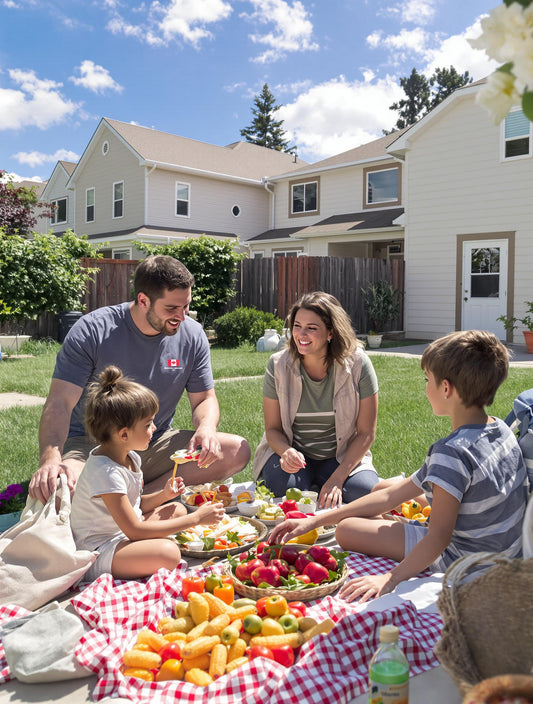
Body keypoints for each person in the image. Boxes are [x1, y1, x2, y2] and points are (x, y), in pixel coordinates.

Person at [270, 330, 529, 602]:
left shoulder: (451, 452)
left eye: (427, 379)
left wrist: (390, 579)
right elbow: (391, 495)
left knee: (346, 529)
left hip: (464, 560)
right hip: (504, 553)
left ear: (445, 388)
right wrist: (316, 520)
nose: (425, 386)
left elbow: (438, 538)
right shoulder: (501, 429)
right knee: (385, 487)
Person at [29, 254, 251, 504]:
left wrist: (206, 429)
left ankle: (144, 499)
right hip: (93, 445)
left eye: (186, 306)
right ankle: (122, 502)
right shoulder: (92, 330)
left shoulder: (193, 335)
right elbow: (59, 403)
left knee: (235, 450)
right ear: (143, 300)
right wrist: (50, 460)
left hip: (153, 441)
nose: (182, 315)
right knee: (62, 492)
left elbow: (204, 399)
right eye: (171, 308)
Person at [71, 366, 225, 580]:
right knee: (169, 553)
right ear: (124, 434)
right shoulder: (105, 471)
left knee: (177, 508)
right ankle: (146, 553)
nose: (154, 429)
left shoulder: (130, 456)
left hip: (124, 534)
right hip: (101, 551)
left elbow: (135, 506)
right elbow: (134, 529)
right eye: (148, 424)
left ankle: (149, 548)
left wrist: (163, 495)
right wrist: (196, 519)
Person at [253, 291, 379, 509]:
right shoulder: (277, 365)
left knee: (364, 492)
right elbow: (272, 429)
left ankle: (322, 484)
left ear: (331, 332)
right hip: (296, 456)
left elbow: (367, 433)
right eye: (297, 326)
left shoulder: (359, 364)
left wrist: (338, 479)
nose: (301, 334)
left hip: (340, 458)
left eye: (311, 328)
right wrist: (286, 452)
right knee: (281, 490)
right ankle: (315, 485)